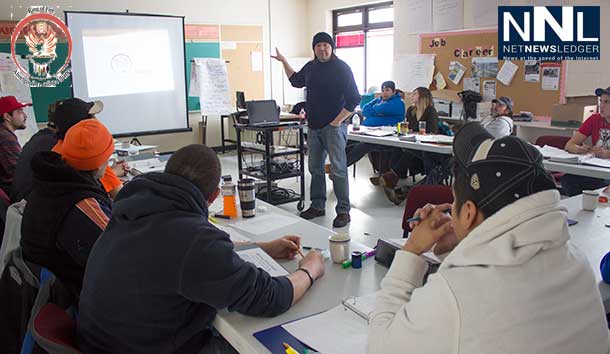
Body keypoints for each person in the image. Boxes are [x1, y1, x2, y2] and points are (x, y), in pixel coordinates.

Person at [367, 122, 610, 354]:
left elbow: (380, 346)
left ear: (469, 213)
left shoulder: (456, 295)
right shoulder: (577, 262)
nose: (452, 211)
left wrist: (410, 251)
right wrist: (465, 241)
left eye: (455, 205)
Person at [77, 144, 325, 354]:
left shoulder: (133, 209)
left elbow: (180, 253)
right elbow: (270, 297)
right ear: (214, 195)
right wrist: (309, 270)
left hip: (102, 342)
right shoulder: (193, 240)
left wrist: (263, 248)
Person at [272, 32, 360, 228]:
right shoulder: (311, 67)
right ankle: (318, 205)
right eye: (318, 45)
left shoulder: (341, 68)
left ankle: (343, 211)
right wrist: (283, 61)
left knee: (338, 169)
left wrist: (336, 122)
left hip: (334, 128)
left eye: (326, 45)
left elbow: (354, 98)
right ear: (314, 48)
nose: (322, 48)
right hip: (313, 127)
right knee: (315, 168)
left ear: (332, 47)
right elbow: (295, 80)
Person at [20, 119, 114, 298]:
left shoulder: (53, 181)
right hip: (75, 294)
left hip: (53, 280)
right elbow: (119, 249)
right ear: (100, 161)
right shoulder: (81, 202)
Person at [10, 98, 127, 202]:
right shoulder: (81, 150)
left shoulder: (42, 140)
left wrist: (110, 173)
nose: (96, 121)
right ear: (81, 126)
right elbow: (123, 197)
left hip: (27, 213)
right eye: (92, 118)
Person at [328, 81, 405, 174]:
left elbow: (382, 109)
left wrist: (375, 110)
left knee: (363, 146)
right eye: (383, 90)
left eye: (387, 90)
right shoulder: (378, 100)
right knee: (348, 141)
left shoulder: (398, 103)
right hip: (368, 132)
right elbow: (364, 110)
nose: (384, 92)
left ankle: (338, 168)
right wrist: (378, 111)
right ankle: (337, 166)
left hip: (385, 136)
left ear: (393, 91)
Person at [378, 87, 439, 204]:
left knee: (408, 151)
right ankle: (393, 176)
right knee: (398, 147)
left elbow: (433, 131)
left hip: (426, 147)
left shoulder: (430, 111)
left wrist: (414, 132)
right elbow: (409, 127)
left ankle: (391, 176)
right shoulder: (411, 110)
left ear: (423, 97)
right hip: (413, 142)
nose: (411, 96)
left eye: (415, 94)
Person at [562, 86, 610, 196]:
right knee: (568, 180)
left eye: (607, 102)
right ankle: (581, 209)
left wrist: (608, 153)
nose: (601, 105)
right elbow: (569, 145)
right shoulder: (594, 119)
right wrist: (578, 149)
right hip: (595, 169)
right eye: (600, 101)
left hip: (607, 175)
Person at [0, 96, 30, 196]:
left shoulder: (5, 134)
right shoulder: (6, 139)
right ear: (7, 117)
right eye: (20, 112)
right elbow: (19, 173)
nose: (25, 116)